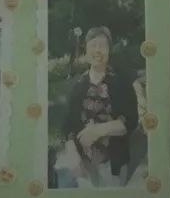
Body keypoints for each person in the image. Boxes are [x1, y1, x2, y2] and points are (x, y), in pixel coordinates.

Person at [59, 25, 138, 186]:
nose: (97, 50)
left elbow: (130, 121)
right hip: (83, 165)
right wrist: (73, 155)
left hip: (113, 165)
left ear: (109, 50)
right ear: (86, 50)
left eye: (102, 46)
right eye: (93, 45)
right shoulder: (77, 86)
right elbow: (68, 127)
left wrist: (98, 130)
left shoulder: (121, 82)